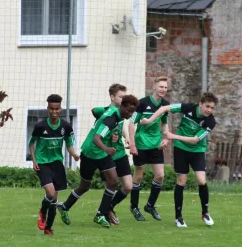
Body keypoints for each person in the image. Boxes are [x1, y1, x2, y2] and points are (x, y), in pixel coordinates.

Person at [57, 94, 140, 228]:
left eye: (133, 112)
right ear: (122, 106)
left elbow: (96, 111)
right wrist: (107, 148)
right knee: (84, 186)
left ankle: (100, 214)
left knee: (113, 181)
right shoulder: (111, 119)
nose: (130, 114)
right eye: (129, 111)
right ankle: (65, 206)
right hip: (90, 153)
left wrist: (110, 136)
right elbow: (96, 138)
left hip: (101, 154)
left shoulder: (114, 112)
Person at [140, 92, 218, 227]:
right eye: (207, 106)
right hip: (181, 149)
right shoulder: (188, 107)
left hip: (197, 151)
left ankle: (205, 212)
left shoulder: (210, 121)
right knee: (181, 181)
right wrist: (150, 120)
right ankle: (178, 217)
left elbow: (195, 140)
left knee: (201, 180)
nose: (209, 110)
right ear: (200, 104)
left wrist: (173, 136)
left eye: (212, 108)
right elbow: (165, 108)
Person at [30, 94, 80, 235]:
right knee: (50, 193)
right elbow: (31, 143)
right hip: (43, 163)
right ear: (48, 109)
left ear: (60, 109)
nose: (54, 112)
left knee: (55, 198)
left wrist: (74, 154)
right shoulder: (40, 126)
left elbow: (69, 144)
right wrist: (34, 161)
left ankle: (48, 228)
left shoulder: (66, 126)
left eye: (56, 109)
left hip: (57, 163)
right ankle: (42, 211)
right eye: (51, 109)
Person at [90, 84, 133, 226]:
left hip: (119, 152)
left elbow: (122, 125)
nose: (123, 99)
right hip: (106, 154)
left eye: (124, 97)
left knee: (128, 186)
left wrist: (126, 137)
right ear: (112, 97)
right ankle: (103, 213)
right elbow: (94, 111)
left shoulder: (122, 112)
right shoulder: (106, 112)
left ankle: (109, 208)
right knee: (110, 186)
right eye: (121, 96)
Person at [128, 76, 170, 221]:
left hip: (156, 145)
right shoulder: (142, 103)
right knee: (138, 176)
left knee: (160, 175)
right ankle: (134, 207)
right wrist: (132, 144)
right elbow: (131, 123)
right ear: (154, 87)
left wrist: (166, 138)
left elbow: (165, 123)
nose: (163, 89)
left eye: (165, 87)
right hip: (141, 144)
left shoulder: (165, 105)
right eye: (161, 86)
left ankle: (150, 206)